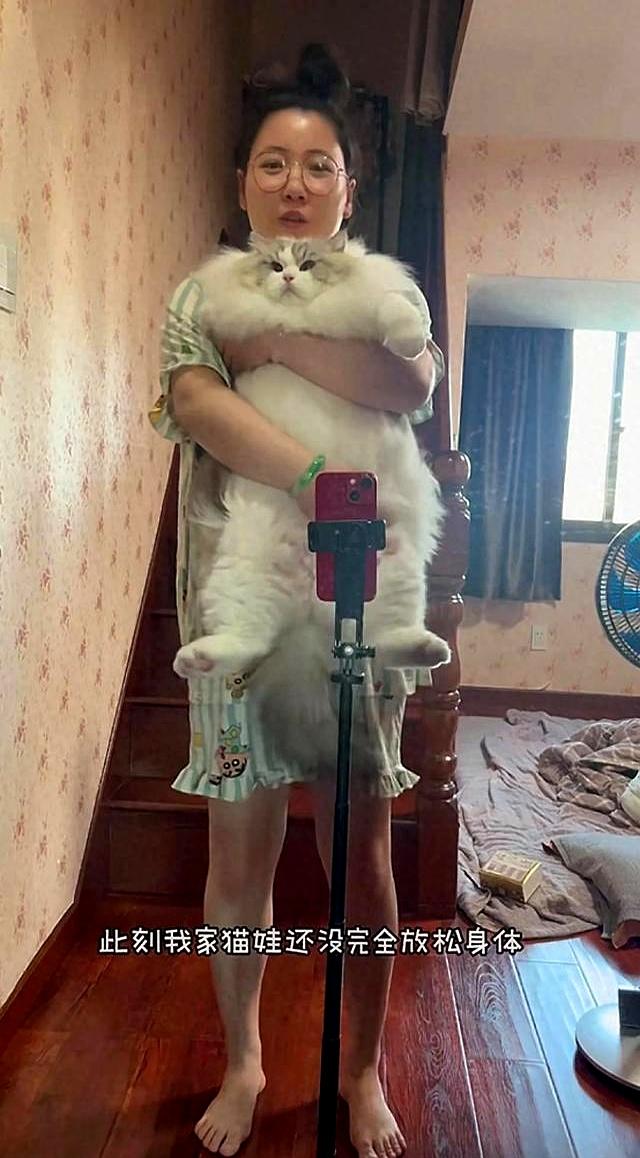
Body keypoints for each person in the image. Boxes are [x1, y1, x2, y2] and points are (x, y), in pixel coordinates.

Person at [148, 43, 445, 1158]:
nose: (294, 184)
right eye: (272, 163)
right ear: (242, 183)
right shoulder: (199, 296)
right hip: (244, 597)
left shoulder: (377, 288)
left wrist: (274, 340)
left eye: (319, 166)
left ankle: (360, 1072)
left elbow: (409, 379)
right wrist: (320, 480)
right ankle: (244, 1060)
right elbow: (195, 400)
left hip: (359, 604)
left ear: (348, 191)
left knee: (360, 857)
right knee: (240, 856)